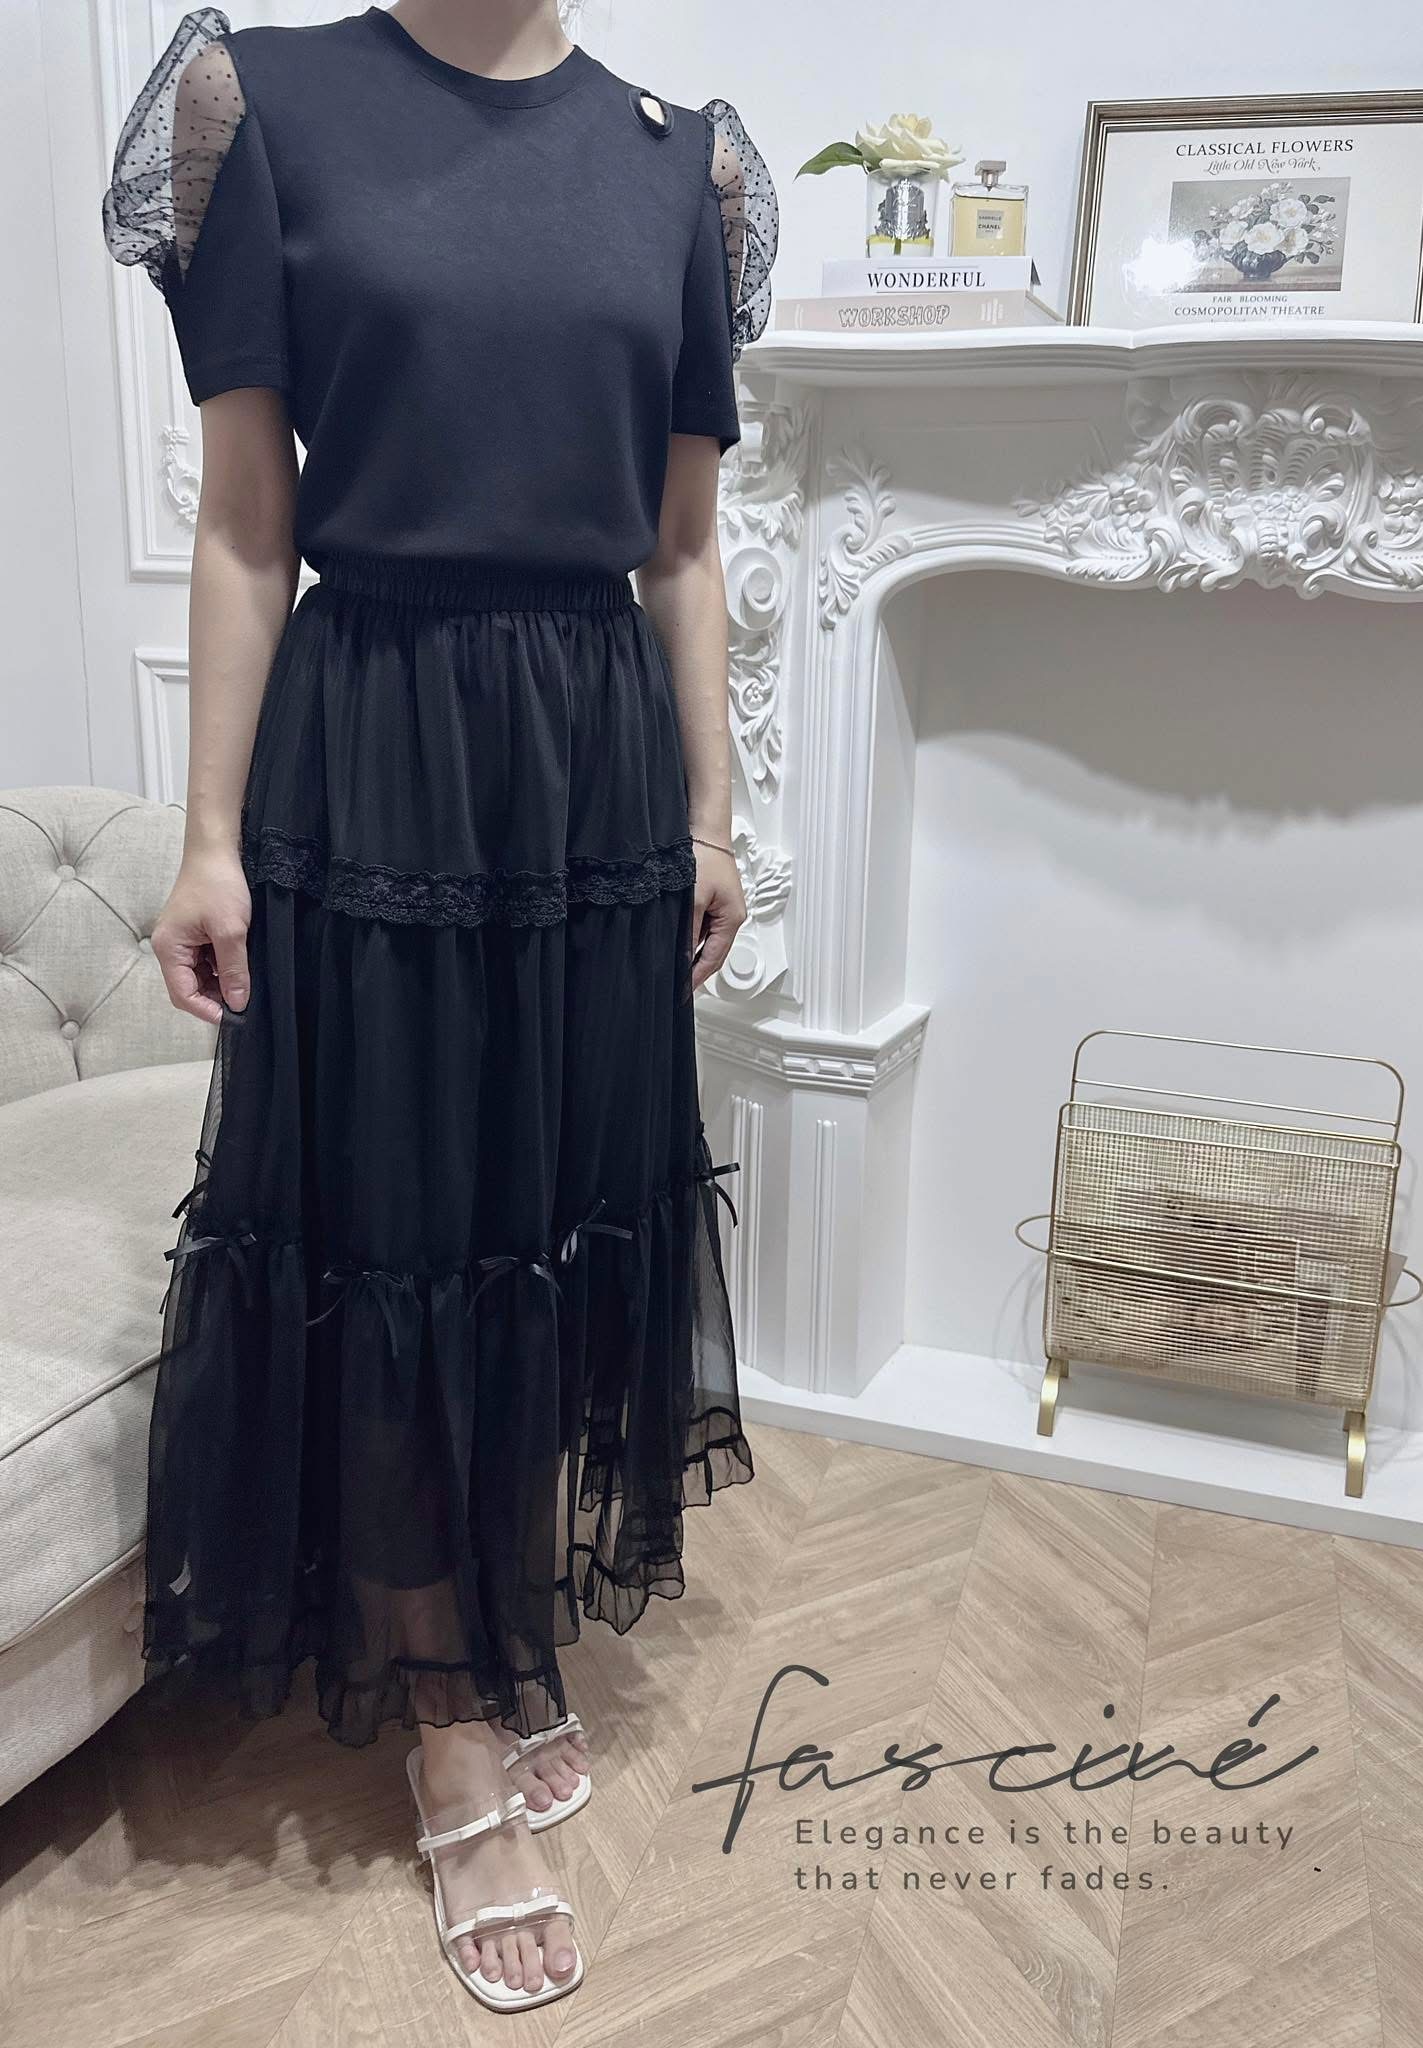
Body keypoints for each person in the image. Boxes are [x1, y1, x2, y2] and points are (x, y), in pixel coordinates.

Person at [101, 0, 778, 2012]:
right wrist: (207, 839)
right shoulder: (263, 103)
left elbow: (683, 544)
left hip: (592, 767)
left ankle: (492, 1615)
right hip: (376, 740)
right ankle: (448, 1724)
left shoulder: (682, 162)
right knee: (394, 1227)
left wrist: (715, 813)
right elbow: (247, 519)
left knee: (549, 1215)